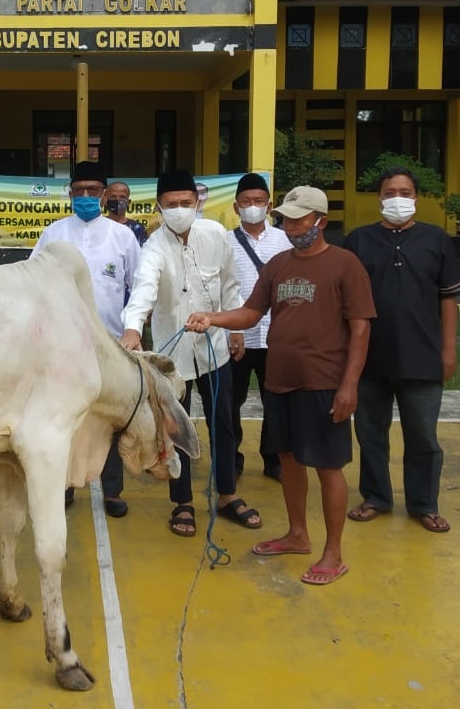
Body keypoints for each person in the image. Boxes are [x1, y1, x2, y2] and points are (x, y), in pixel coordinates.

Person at [186, 185, 374, 586]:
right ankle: (297, 534)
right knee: (288, 459)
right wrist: (212, 318)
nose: (289, 226)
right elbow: (252, 313)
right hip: (281, 381)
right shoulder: (278, 265)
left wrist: (349, 385)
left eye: (298, 219)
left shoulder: (345, 265)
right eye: (286, 219)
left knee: (327, 467)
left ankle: (333, 552)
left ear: (320, 221)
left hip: (324, 383)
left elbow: (360, 329)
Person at [120, 169, 260, 537]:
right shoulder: (153, 248)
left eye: (186, 203)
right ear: (159, 206)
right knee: (175, 430)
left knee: (224, 425)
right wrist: (134, 328)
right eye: (171, 204)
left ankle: (227, 496)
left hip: (215, 347)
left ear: (197, 202)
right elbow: (143, 290)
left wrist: (235, 329)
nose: (180, 209)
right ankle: (182, 503)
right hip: (175, 359)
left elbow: (230, 284)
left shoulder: (214, 234)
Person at [344, 168, 460, 534]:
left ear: (415, 197)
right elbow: (346, 303)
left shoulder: (437, 240)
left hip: (423, 356)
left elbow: (448, 300)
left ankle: (424, 504)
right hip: (370, 357)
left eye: (405, 191)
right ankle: (376, 497)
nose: (397, 197)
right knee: (370, 434)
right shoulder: (358, 241)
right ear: (379, 198)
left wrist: (449, 349)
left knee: (424, 437)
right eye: (390, 191)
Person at [33, 160, 141, 518]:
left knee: (109, 417)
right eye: (78, 191)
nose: (85, 197)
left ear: (105, 194)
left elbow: (138, 289)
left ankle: (112, 490)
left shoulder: (122, 236)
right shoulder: (53, 233)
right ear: (69, 193)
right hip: (61, 344)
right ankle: (64, 483)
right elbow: (33, 283)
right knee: (66, 417)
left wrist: (133, 330)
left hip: (110, 343)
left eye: (92, 191)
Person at [226, 172, 292, 482]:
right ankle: (233, 458)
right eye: (246, 202)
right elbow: (221, 288)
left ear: (269, 205)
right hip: (237, 337)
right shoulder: (225, 242)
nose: (253, 206)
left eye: (259, 201)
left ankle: (273, 458)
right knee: (232, 402)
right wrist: (230, 330)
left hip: (277, 336)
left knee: (275, 402)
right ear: (236, 206)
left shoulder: (285, 240)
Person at [104, 180, 148, 245]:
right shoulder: (97, 226)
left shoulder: (137, 228)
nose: (117, 200)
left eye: (122, 197)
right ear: (105, 201)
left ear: (128, 202)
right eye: (113, 196)